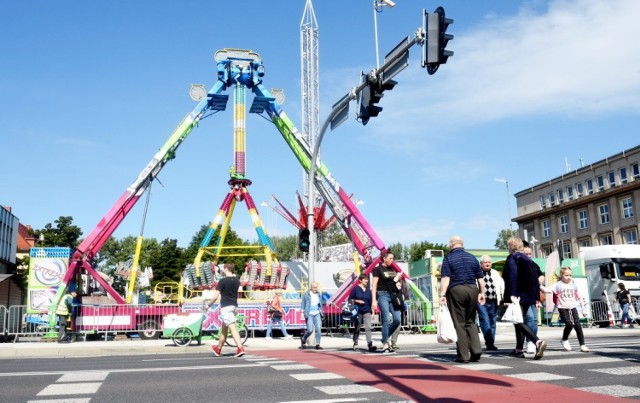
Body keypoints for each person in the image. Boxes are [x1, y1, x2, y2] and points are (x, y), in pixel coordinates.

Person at [439, 236, 486, 363]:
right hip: (472, 289)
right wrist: (482, 293)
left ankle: (463, 356)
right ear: (462, 244)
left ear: (451, 244)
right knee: (470, 321)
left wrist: (442, 295)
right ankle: (476, 351)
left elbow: (445, 278)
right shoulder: (472, 257)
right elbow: (481, 279)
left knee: (459, 323)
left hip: (457, 290)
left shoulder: (449, 258)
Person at [503, 236, 547, 360]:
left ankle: (537, 341)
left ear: (511, 246)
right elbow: (535, 279)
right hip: (529, 295)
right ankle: (518, 349)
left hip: (517, 294)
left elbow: (512, 277)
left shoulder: (513, 258)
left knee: (518, 321)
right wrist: (535, 296)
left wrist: (511, 294)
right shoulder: (528, 260)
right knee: (519, 321)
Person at [543, 267, 589, 352]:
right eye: (566, 275)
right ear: (561, 275)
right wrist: (538, 285)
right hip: (562, 308)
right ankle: (564, 339)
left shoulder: (574, 285)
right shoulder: (557, 285)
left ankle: (582, 345)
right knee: (569, 324)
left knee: (578, 325)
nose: (569, 277)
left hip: (573, 307)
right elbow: (547, 290)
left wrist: (584, 309)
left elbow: (580, 297)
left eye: (570, 275)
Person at [206, 263, 245, 357]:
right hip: (234, 306)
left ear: (226, 269)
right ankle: (218, 348)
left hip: (226, 307)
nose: (223, 270)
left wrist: (208, 304)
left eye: (223, 269)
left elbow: (215, 296)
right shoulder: (236, 280)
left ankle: (240, 348)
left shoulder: (222, 281)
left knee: (232, 327)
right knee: (224, 329)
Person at [372, 251, 402, 354]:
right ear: (384, 258)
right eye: (390, 258)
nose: (392, 260)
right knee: (386, 319)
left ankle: (385, 337)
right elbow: (374, 285)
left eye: (393, 258)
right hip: (382, 295)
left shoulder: (392, 270)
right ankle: (385, 344)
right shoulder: (377, 269)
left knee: (397, 319)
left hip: (393, 295)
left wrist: (398, 282)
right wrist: (374, 301)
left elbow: (394, 283)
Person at [476, 255, 504, 351]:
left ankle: (490, 343)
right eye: (485, 262)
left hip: (494, 301)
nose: (488, 264)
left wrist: (502, 298)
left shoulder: (495, 273)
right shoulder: (477, 273)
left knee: (493, 321)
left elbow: (501, 285)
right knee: (484, 319)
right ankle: (489, 342)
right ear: (481, 264)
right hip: (481, 301)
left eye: (489, 262)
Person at [523, 244, 545, 354]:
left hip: (534, 296)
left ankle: (534, 341)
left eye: (530, 254)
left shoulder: (533, 264)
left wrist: (540, 279)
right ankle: (530, 342)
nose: (528, 256)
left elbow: (541, 275)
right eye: (526, 254)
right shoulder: (520, 265)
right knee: (530, 319)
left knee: (535, 320)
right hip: (524, 297)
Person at [348, 273, 377, 352]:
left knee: (368, 327)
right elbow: (350, 299)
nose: (367, 281)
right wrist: (357, 301)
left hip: (367, 310)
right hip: (358, 310)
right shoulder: (355, 289)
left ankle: (370, 344)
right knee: (357, 327)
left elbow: (371, 301)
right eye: (365, 279)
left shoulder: (368, 290)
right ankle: (355, 343)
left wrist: (373, 312)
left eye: (367, 279)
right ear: (360, 280)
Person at [300, 281, 323, 350]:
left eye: (316, 287)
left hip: (317, 313)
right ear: (311, 287)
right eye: (314, 287)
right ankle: (303, 338)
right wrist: (302, 312)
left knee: (318, 328)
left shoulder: (318, 294)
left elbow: (320, 303)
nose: (315, 289)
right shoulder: (306, 294)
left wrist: (321, 311)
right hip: (309, 313)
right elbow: (303, 303)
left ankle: (318, 344)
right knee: (310, 330)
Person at [390, 276, 410, 350]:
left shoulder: (401, 293)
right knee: (390, 326)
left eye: (400, 285)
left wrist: (404, 310)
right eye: (398, 285)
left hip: (398, 310)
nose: (399, 287)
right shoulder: (392, 292)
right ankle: (386, 340)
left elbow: (402, 303)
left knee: (398, 326)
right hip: (392, 310)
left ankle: (393, 342)